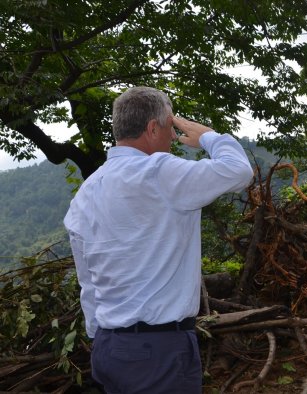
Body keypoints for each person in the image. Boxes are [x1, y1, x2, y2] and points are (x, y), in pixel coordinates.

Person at [63, 86, 253, 393]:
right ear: (153, 128)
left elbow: (88, 282)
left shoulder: (87, 192)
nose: (171, 139)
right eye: (169, 127)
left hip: (109, 348)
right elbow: (239, 171)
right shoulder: (159, 172)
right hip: (158, 350)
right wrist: (208, 136)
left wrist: (101, 337)